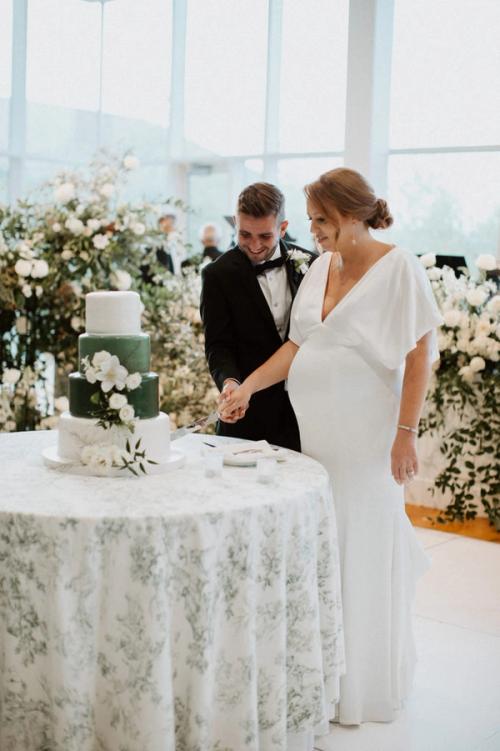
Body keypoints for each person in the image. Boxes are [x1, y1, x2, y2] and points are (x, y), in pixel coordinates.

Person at [220, 168, 443, 725]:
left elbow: (418, 356)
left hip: (367, 439)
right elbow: (299, 344)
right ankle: (318, 681)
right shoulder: (322, 265)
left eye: (320, 220)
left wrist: (404, 435)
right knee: (323, 552)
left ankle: (364, 685)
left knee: (362, 546)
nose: (312, 231)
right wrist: (246, 386)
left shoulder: (399, 267)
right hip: (315, 440)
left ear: (351, 215)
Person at [200, 182, 316, 450]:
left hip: (304, 413)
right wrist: (230, 384)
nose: (253, 246)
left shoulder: (313, 265)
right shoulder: (217, 275)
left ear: (282, 228)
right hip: (247, 414)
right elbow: (218, 345)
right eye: (245, 235)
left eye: (265, 236)